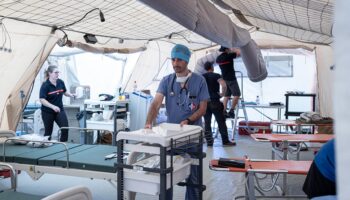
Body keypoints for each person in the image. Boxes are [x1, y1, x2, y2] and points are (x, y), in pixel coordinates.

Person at [145, 44, 210, 200]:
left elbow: (202, 109)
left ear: (186, 61)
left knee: (193, 178)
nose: (175, 63)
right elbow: (155, 103)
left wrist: (188, 120)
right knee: (165, 175)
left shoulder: (199, 81)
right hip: (171, 137)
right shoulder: (167, 81)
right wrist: (148, 123)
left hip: (193, 136)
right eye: (173, 59)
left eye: (179, 60)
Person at [202, 61, 236, 146]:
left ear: (205, 68)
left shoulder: (202, 77)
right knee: (221, 121)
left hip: (205, 102)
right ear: (212, 67)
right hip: (215, 101)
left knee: (207, 122)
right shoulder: (216, 75)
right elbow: (224, 85)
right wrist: (222, 94)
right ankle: (225, 141)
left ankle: (209, 142)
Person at [39, 65, 75, 142]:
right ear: (50, 73)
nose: (57, 74)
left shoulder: (60, 82)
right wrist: (52, 107)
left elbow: (64, 92)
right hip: (47, 112)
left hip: (59, 110)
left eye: (58, 72)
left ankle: (62, 147)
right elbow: (42, 99)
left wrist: (71, 95)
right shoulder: (45, 85)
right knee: (48, 133)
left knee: (65, 129)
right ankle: (47, 149)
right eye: (56, 72)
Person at [216, 46, 241, 118]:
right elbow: (239, 53)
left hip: (224, 79)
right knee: (237, 94)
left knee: (227, 96)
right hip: (231, 78)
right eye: (229, 49)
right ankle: (231, 111)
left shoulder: (218, 58)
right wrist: (234, 49)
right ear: (227, 49)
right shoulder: (229, 55)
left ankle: (223, 111)